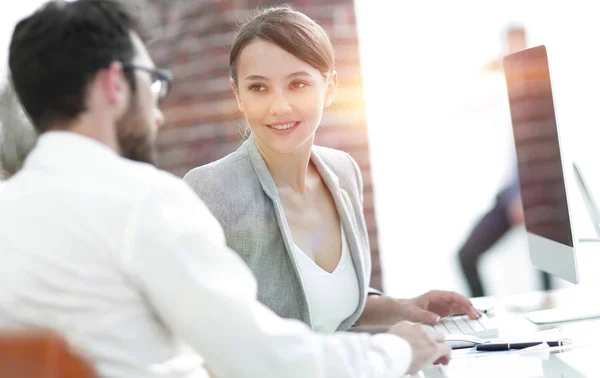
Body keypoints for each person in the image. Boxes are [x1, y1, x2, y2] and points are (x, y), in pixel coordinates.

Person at [0, 1, 452, 377]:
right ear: (116, 83)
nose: (158, 113)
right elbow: (261, 360)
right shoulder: (145, 201)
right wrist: (396, 352)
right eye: (152, 83)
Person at [184, 6, 480, 335]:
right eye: (258, 88)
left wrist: (402, 308)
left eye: (297, 84)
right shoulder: (211, 191)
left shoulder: (342, 171)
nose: (279, 106)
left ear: (330, 87)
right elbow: (205, 336)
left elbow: (328, 311)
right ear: (238, 94)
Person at [457, 25, 553, 299]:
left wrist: (525, 195)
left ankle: (552, 321)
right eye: (509, 50)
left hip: (535, 195)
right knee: (466, 255)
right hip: (510, 192)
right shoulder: (504, 89)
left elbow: (544, 154)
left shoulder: (540, 95)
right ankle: (480, 312)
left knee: (547, 261)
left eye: (520, 49)